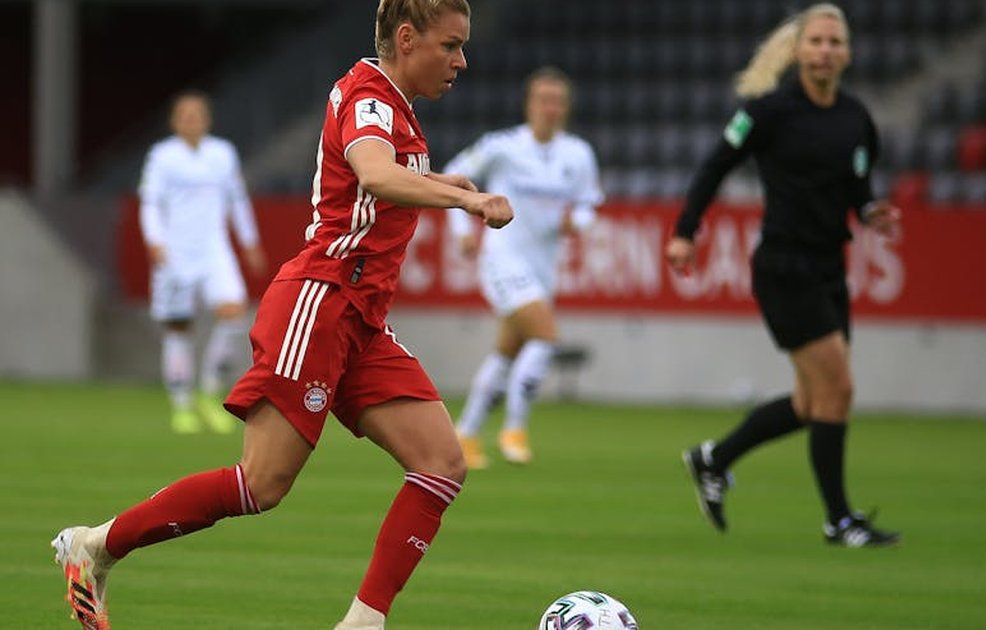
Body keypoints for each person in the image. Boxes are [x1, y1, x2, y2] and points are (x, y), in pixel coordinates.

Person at [52, 1, 513, 628]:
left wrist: (446, 183)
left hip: (360, 322)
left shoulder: (394, 107)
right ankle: (96, 545)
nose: (461, 61)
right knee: (260, 485)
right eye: (451, 45)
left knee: (441, 464)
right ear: (407, 39)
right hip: (319, 305)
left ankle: (363, 622)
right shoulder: (370, 98)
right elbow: (375, 174)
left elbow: (385, 176)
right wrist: (468, 202)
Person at [667, 3, 903, 547]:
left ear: (847, 53)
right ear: (797, 51)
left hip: (829, 267)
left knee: (811, 403)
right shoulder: (770, 111)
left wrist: (870, 212)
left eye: (834, 42)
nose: (825, 51)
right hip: (783, 267)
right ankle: (839, 521)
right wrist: (685, 232)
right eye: (816, 41)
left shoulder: (856, 118)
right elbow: (715, 166)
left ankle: (714, 458)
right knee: (838, 389)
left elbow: (858, 187)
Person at [444, 66, 604, 469]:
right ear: (529, 105)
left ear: (566, 108)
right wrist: (461, 228)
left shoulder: (578, 154)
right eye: (543, 100)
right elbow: (452, 177)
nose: (550, 108)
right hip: (502, 259)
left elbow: (589, 205)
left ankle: (465, 435)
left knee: (507, 352)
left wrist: (576, 221)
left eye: (558, 101)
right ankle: (514, 428)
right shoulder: (502, 146)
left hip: (543, 268)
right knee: (546, 337)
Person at [138, 91, 268, 434]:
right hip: (175, 251)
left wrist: (250, 241)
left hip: (214, 249)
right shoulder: (162, 157)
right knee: (178, 326)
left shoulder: (222, 154)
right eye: (185, 114)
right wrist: (155, 241)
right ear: (174, 121)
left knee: (234, 313)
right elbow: (150, 203)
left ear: (207, 119)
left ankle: (209, 390)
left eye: (197, 114)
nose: (191, 120)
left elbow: (237, 200)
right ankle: (181, 404)